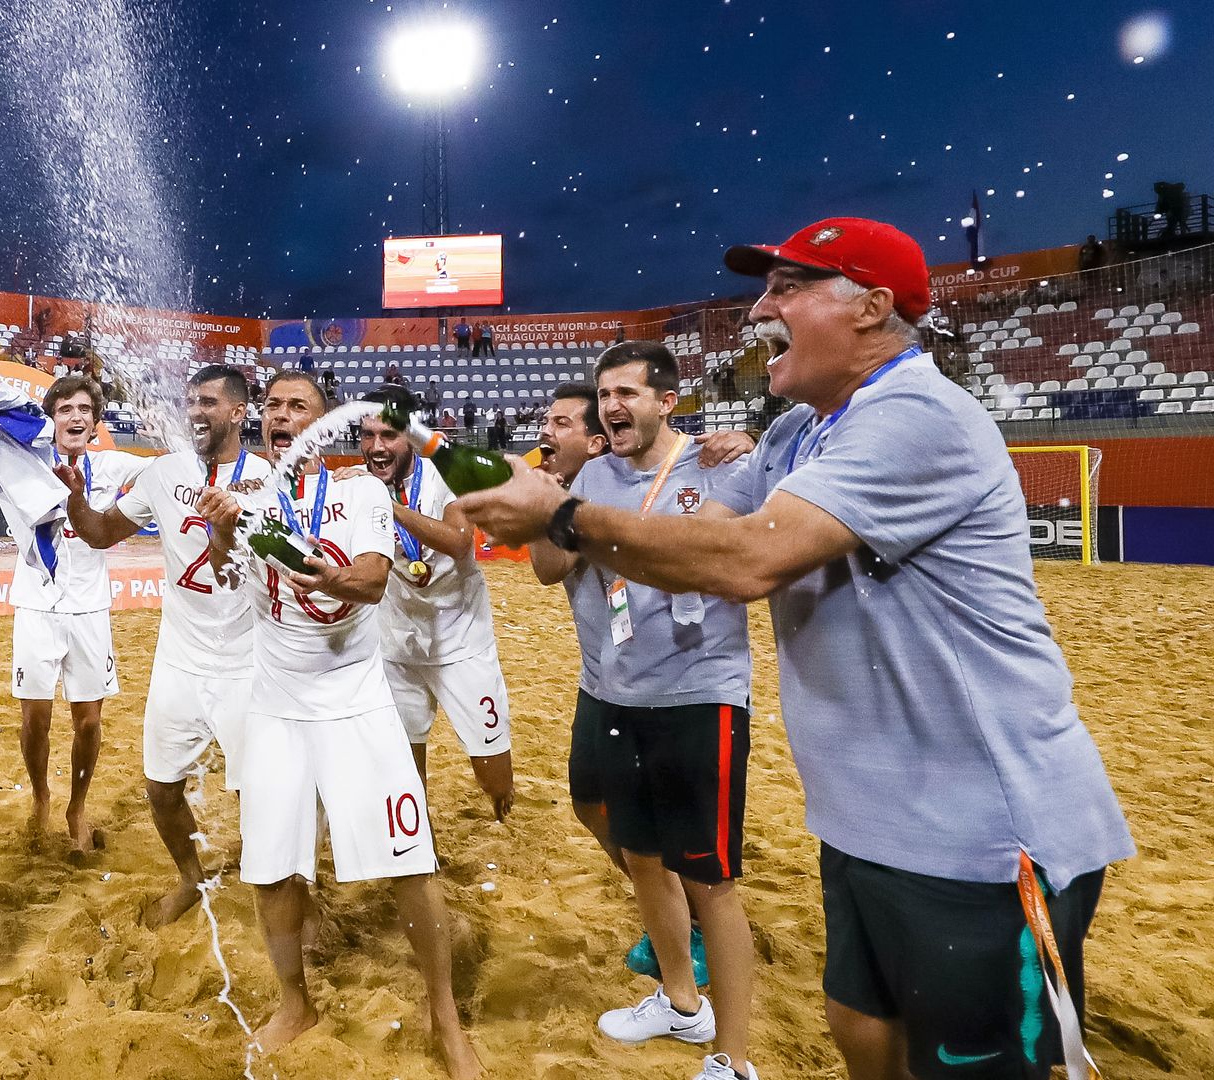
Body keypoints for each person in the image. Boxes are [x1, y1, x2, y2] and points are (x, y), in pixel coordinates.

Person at [457, 216, 1135, 1080]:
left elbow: (747, 560)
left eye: (787, 288)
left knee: (979, 1063)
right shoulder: (794, 434)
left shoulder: (916, 412)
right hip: (867, 821)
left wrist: (556, 514)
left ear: (872, 308)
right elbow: (695, 533)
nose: (754, 312)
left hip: (986, 835)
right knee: (863, 1035)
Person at [195, 371, 481, 1079]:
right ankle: (296, 1003)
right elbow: (229, 577)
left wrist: (310, 566)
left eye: (298, 407)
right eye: (273, 408)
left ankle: (443, 1014)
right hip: (276, 704)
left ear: (325, 427)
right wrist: (226, 532)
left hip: (357, 701)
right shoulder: (247, 496)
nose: (280, 417)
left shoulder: (360, 492)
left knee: (410, 862)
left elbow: (370, 582)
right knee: (269, 868)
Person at [553, 341, 762, 1079]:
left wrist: (756, 441)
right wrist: (553, 494)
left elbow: (754, 553)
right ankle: (681, 1003)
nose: (612, 406)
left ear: (668, 400)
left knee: (710, 880)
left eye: (628, 393)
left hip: (699, 695)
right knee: (642, 858)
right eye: (605, 394)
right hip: (616, 694)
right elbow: (550, 567)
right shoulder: (590, 475)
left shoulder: (724, 464)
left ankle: (733, 1060)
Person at [58, 364, 272, 926]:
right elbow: (102, 533)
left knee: (264, 795)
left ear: (238, 412)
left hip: (252, 662)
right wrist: (78, 502)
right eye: (191, 402)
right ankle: (190, 879)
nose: (196, 412)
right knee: (161, 786)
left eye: (208, 402)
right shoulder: (162, 473)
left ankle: (282, 891)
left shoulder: (272, 480)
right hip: (179, 658)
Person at [0, 373, 149, 857]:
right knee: (35, 718)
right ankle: (41, 795)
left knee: (87, 722)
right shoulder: (23, 463)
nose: (75, 417)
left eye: (84, 410)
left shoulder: (112, 463)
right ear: (51, 419)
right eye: (65, 410)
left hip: (90, 608)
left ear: (96, 423)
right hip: (36, 603)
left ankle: (76, 806)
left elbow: (171, 473)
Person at [353, 385, 514, 822]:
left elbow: (462, 544)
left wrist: (390, 509)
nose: (376, 447)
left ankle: (502, 792)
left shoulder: (445, 475)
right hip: (396, 641)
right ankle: (422, 842)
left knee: (492, 773)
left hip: (461, 638)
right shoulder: (355, 484)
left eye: (388, 435)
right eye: (367, 436)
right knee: (405, 758)